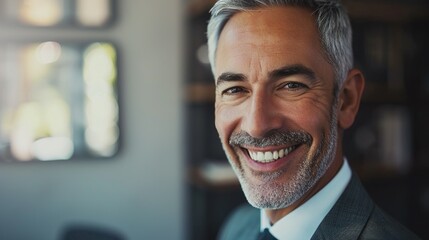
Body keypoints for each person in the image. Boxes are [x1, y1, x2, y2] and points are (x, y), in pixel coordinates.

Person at [206, 0, 421, 239]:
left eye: (291, 86)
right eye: (235, 89)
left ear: (346, 100)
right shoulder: (236, 226)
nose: (256, 126)